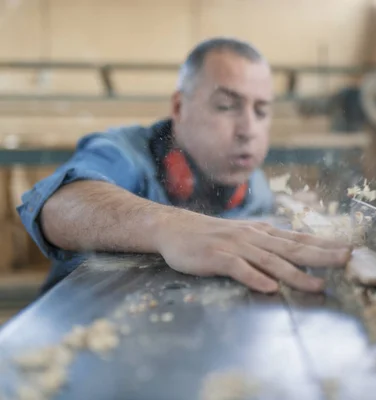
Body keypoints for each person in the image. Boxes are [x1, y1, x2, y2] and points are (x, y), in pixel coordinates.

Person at [17, 37, 351, 294]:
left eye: (261, 111)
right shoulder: (124, 152)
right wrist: (167, 226)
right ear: (179, 106)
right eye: (226, 106)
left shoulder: (255, 186)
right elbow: (58, 205)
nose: (248, 129)